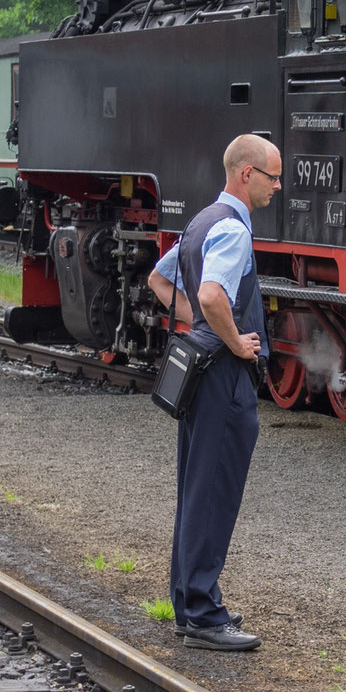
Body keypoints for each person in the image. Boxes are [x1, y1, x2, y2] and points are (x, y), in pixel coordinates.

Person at [143, 133, 282, 651]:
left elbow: (161, 281)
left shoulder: (201, 221)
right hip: (223, 377)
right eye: (272, 177)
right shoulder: (234, 230)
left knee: (195, 489)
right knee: (214, 493)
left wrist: (200, 324)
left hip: (199, 373)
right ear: (246, 174)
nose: (277, 186)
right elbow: (210, 293)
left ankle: (190, 601)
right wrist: (234, 341)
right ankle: (203, 614)